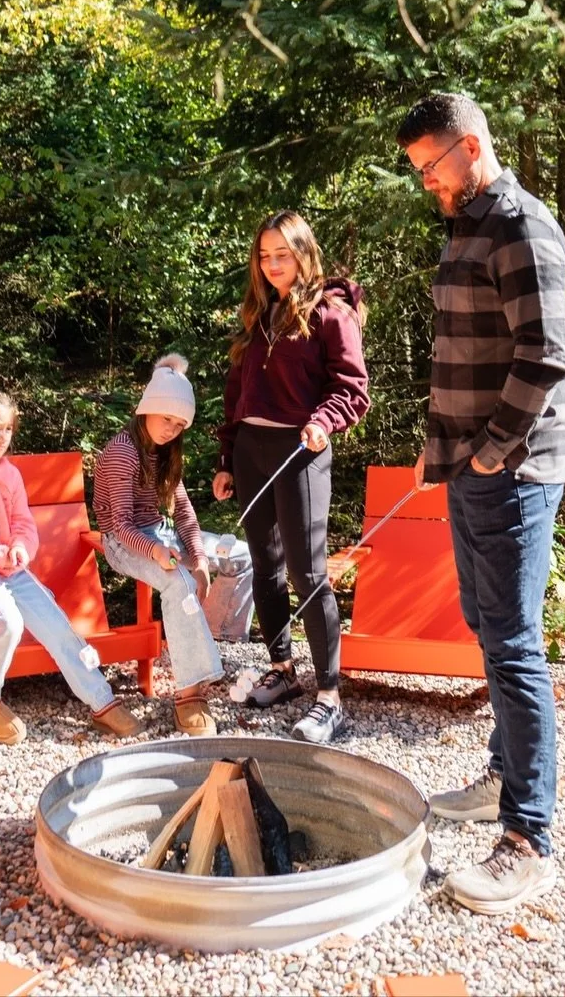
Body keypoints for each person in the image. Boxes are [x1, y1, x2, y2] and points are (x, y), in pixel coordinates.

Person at [398, 91, 565, 914]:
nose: (427, 182)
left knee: (513, 644)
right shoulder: (467, 223)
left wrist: (490, 455)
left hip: (514, 472)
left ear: (470, 147)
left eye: (431, 166)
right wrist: (447, 460)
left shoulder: (520, 225)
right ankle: (504, 772)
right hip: (473, 470)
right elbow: (464, 353)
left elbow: (544, 360)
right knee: (486, 624)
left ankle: (528, 837)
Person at [213, 210, 370, 745]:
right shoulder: (258, 314)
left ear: (305, 252)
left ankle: (330, 698)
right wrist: (227, 459)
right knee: (266, 567)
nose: (274, 264)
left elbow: (353, 389)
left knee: (309, 573)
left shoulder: (331, 313)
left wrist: (324, 423)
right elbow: (237, 398)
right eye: (265, 256)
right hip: (253, 451)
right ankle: (282, 670)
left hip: (301, 450)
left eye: (283, 254)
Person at [0, 385, 142, 744]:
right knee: (8, 623)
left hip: (11, 569)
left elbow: (24, 524)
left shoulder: (9, 474)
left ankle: (102, 701)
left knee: (57, 625)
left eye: (8, 429)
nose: (2, 437)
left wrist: (22, 548)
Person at [94, 355, 223, 736]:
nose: (171, 429)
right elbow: (119, 523)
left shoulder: (165, 454)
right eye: (167, 417)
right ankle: (189, 693)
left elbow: (182, 510)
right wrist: (157, 553)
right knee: (177, 582)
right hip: (124, 542)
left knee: (240, 559)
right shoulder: (123, 452)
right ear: (148, 407)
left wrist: (199, 557)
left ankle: (204, 654)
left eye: (179, 424)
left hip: (157, 534)